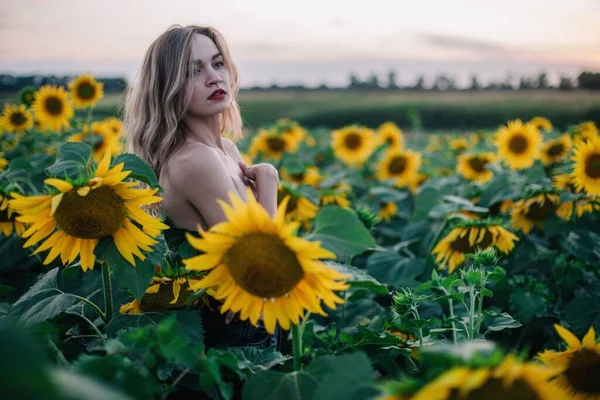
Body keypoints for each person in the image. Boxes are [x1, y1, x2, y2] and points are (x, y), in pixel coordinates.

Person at [122, 24, 280, 348]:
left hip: (246, 318)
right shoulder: (195, 161)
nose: (214, 77)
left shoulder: (225, 149)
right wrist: (270, 184)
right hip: (230, 329)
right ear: (169, 87)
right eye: (194, 71)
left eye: (218, 63)